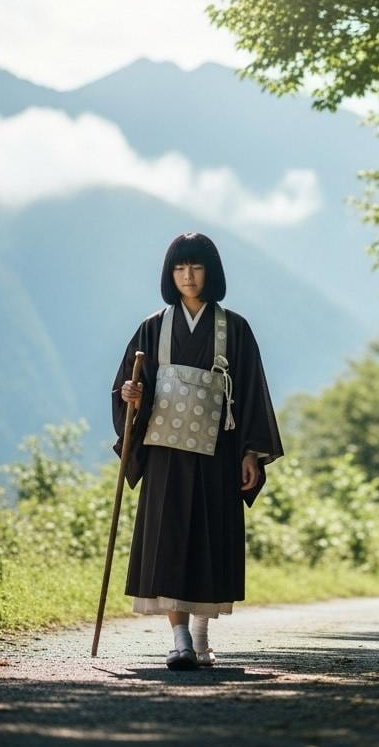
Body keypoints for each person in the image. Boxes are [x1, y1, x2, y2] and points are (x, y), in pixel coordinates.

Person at [111, 231, 283, 670]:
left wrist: (250, 453)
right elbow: (131, 390)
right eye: (179, 268)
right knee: (168, 542)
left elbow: (250, 393)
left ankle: (203, 635)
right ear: (171, 274)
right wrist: (132, 394)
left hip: (219, 453)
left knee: (211, 541)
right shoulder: (153, 328)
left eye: (196, 267)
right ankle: (180, 639)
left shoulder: (235, 329)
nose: (188, 276)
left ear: (211, 272)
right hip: (167, 452)